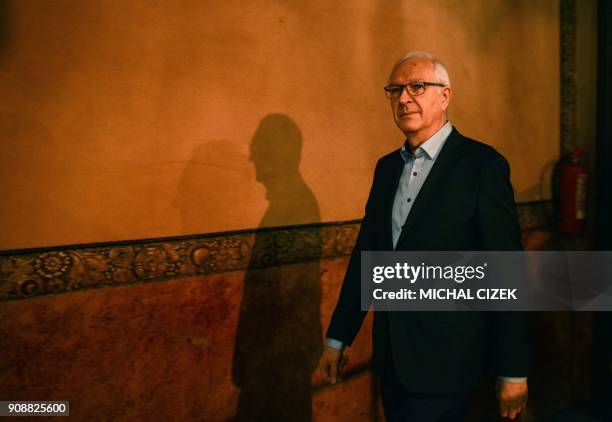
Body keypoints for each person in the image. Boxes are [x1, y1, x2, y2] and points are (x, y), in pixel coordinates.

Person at [318, 51, 530, 421]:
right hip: (393, 359)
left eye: (417, 86)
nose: (403, 98)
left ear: (444, 96)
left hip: (450, 360)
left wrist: (513, 369)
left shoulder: (482, 166)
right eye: (395, 89)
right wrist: (338, 338)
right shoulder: (386, 169)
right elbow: (368, 257)